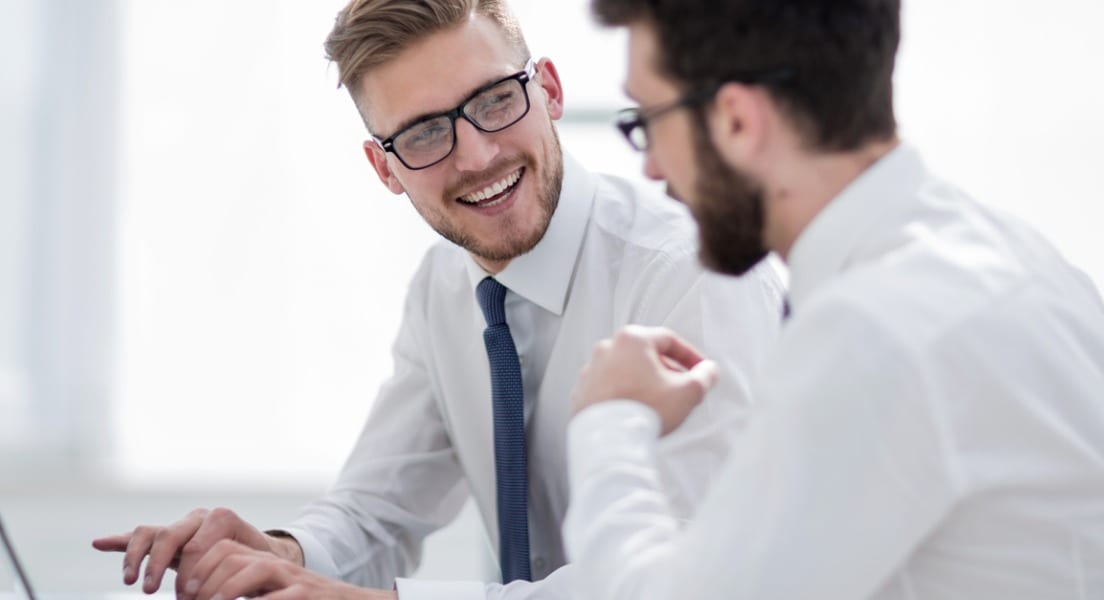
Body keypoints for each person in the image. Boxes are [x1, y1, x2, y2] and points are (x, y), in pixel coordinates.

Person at [92, 1, 784, 599]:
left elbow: (693, 582)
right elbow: (377, 512)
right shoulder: (445, 289)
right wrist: (279, 556)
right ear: (383, 168)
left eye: (494, 101)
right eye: (424, 133)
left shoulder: (694, 276)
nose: (477, 155)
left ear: (548, 89)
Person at [563, 0, 1104, 598]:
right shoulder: (1019, 256)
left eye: (649, 120)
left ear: (738, 120)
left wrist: (608, 421)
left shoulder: (874, 333)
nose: (651, 166)